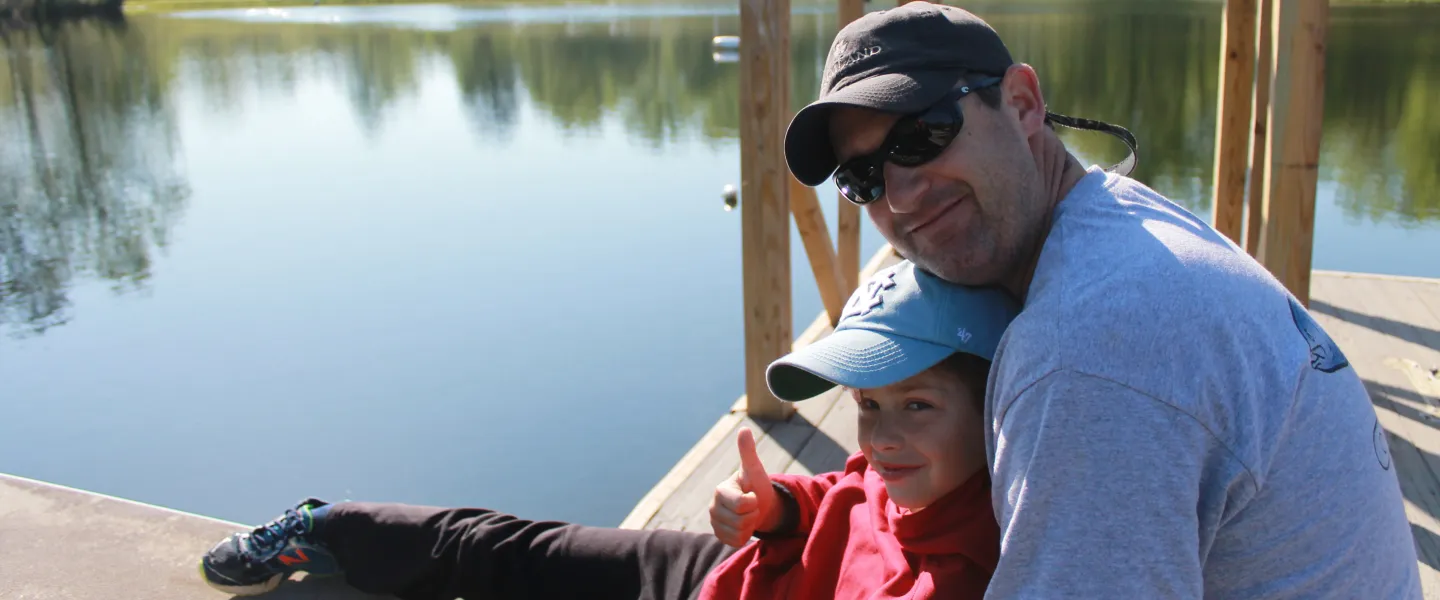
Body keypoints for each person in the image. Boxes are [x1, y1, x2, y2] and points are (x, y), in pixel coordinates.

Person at [780, 2, 1422, 598]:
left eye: (923, 136)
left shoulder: (1086, 352)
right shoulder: (1117, 223)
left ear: (1024, 105)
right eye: (862, 177)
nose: (901, 196)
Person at [199, 260, 1021, 600]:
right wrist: (782, 510)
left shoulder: (992, 553)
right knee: (512, 548)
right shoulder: (913, 466)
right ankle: (328, 528)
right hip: (736, 567)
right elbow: (852, 490)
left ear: (994, 411)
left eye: (916, 405)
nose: (877, 437)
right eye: (868, 405)